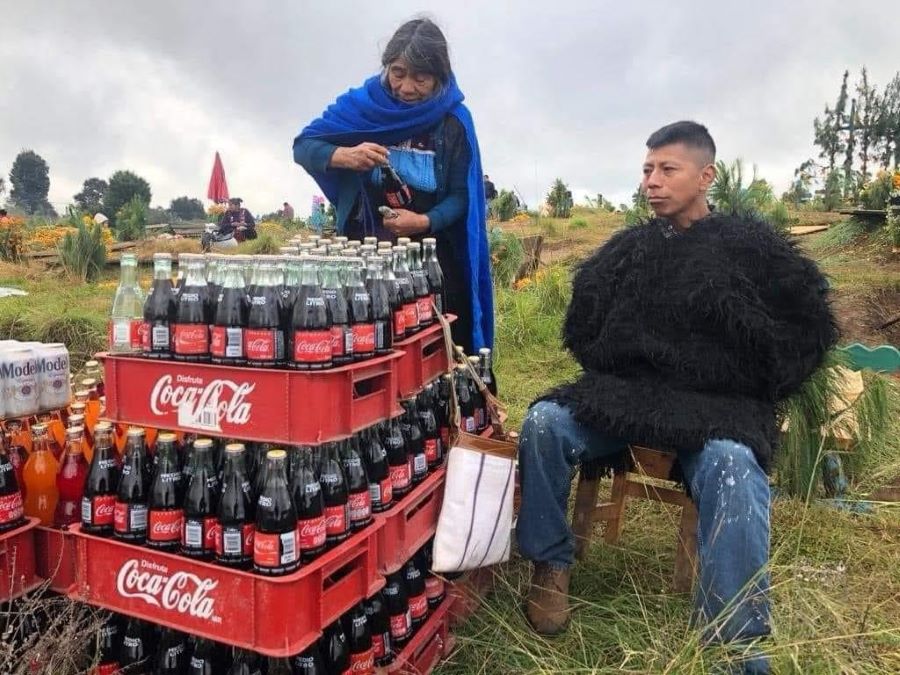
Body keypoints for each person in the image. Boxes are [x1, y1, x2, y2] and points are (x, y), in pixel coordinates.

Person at [516, 121, 837, 674]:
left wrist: (752, 382)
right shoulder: (629, 251)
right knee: (544, 421)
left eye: (667, 169)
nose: (651, 182)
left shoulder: (754, 250)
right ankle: (550, 566)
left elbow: (805, 325)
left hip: (717, 406)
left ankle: (732, 646)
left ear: (705, 175)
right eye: (646, 170)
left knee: (736, 465)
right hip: (629, 396)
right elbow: (586, 322)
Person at [292, 18, 493, 356]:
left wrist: (423, 221)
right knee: (365, 346)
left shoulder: (453, 122)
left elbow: (462, 196)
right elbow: (304, 146)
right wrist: (344, 155)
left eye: (421, 78)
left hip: (430, 264)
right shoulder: (362, 107)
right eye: (399, 72)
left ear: (439, 77)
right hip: (364, 262)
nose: (407, 87)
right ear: (387, 65)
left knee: (436, 353)